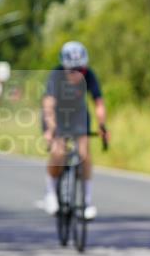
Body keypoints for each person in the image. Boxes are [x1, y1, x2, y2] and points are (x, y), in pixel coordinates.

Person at [41, 41, 108, 219]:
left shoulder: (89, 75)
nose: (77, 74)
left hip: (78, 114)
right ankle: (51, 193)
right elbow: (48, 104)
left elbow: (98, 103)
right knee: (59, 152)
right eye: (72, 70)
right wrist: (50, 130)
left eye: (81, 70)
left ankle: (87, 202)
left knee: (85, 154)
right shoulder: (56, 75)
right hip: (56, 115)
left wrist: (102, 126)